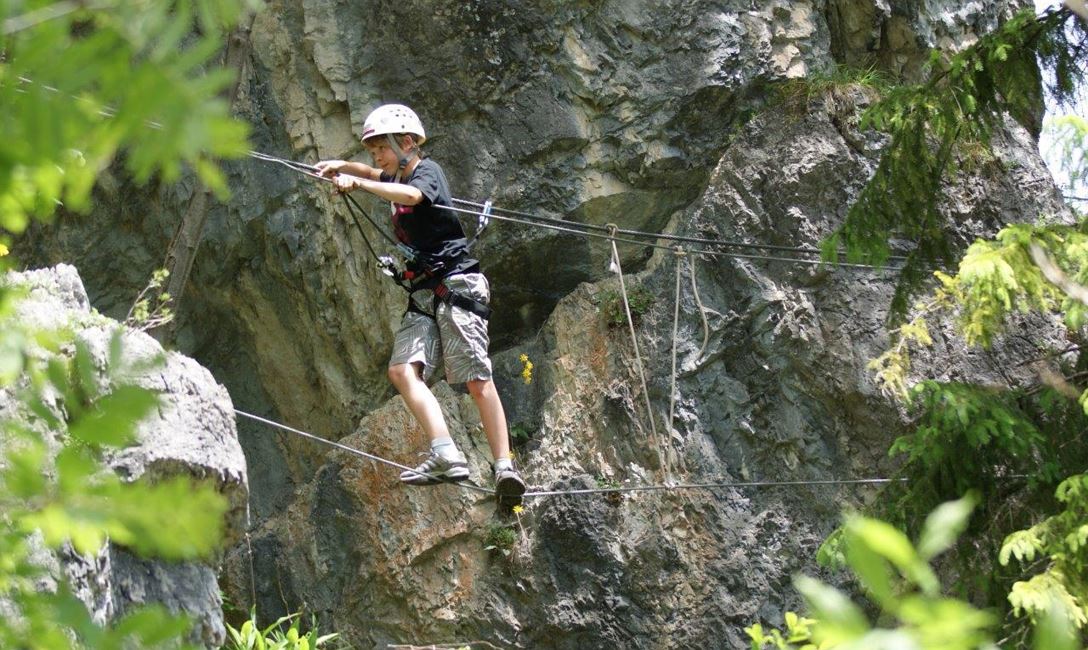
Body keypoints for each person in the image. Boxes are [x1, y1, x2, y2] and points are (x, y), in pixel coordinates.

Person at [315, 104, 526, 505]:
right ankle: (445, 453)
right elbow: (376, 175)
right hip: (425, 291)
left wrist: (358, 184)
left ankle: (504, 467)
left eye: (382, 148)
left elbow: (411, 195)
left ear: (408, 143)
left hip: (457, 283)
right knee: (400, 371)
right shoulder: (393, 174)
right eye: (373, 150)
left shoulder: (427, 173)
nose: (376, 158)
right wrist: (342, 166)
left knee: (476, 380)